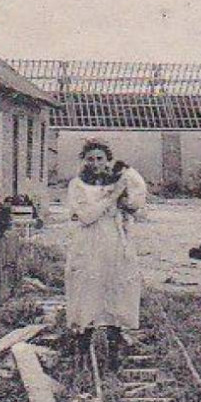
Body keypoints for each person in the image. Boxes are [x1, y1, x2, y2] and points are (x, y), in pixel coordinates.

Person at [66, 139, 147, 368]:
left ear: (107, 160)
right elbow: (87, 215)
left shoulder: (117, 181)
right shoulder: (77, 185)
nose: (95, 163)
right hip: (88, 245)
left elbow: (138, 209)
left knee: (115, 291)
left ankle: (114, 353)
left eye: (100, 158)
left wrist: (127, 200)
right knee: (87, 290)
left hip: (114, 243)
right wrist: (113, 196)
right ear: (84, 161)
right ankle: (82, 351)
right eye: (90, 159)